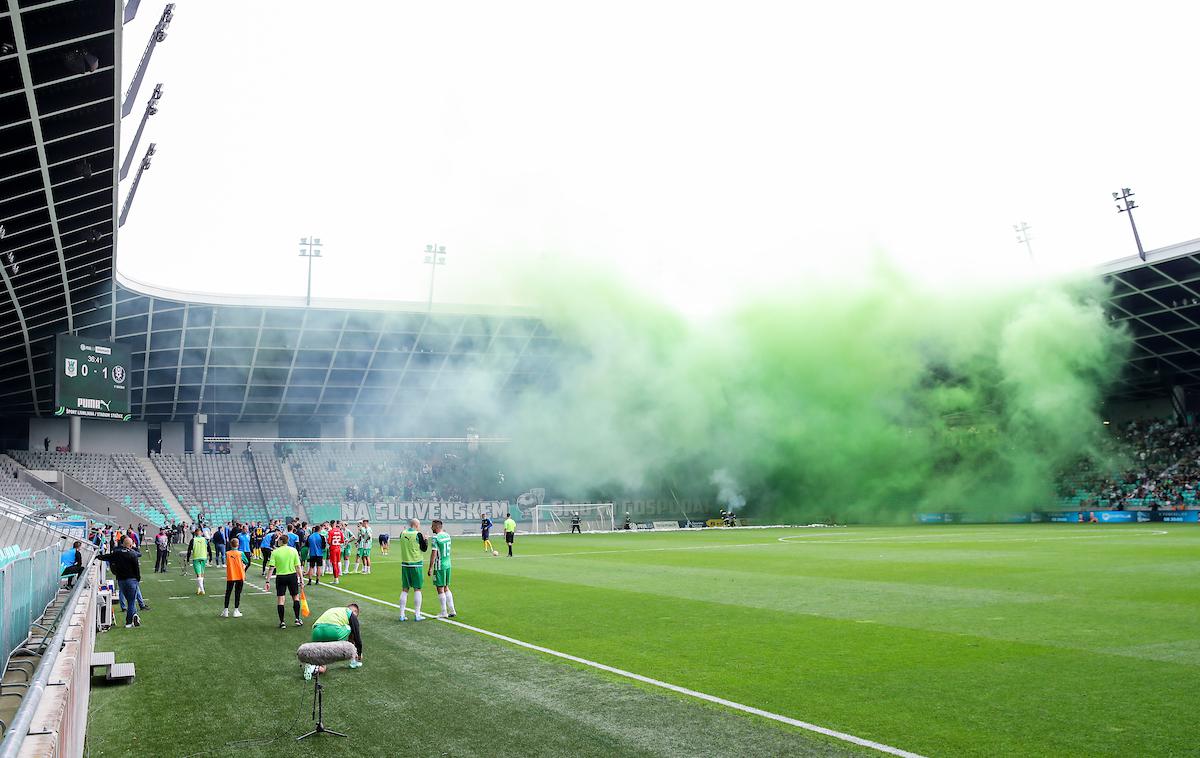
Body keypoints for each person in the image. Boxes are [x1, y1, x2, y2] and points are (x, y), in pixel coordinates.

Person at [303, 604, 363, 680]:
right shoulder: (351, 614)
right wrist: (359, 653)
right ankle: (354, 660)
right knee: (351, 629)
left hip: (316, 631)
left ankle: (312, 668)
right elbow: (357, 638)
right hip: (333, 631)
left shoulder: (335, 610)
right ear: (354, 612)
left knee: (323, 667)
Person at [98, 537, 142, 628]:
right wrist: (138, 578)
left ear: (122, 544)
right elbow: (136, 569)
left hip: (121, 580)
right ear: (130, 545)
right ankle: (129, 621)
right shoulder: (133, 554)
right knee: (131, 601)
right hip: (131, 580)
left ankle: (135, 616)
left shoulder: (117, 553)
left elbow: (108, 557)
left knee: (129, 600)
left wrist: (98, 557)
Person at [265, 534, 304, 628]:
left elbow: (271, 568)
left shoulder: (275, 552)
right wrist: (301, 580)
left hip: (281, 577)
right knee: (295, 597)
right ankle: (297, 619)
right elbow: (298, 567)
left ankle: (282, 622)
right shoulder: (293, 550)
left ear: (281, 541)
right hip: (292, 576)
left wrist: (267, 581)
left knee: (281, 599)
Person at [397, 518, 427, 621]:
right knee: (417, 589)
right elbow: (424, 548)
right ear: (416, 525)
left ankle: (401, 614)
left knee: (405, 589)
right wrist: (426, 539)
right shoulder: (418, 534)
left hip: (405, 564)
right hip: (416, 564)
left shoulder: (402, 533)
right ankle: (417, 614)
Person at [428, 520, 456, 618]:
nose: (431, 528)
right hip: (448, 564)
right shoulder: (447, 535)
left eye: (432, 526)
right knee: (446, 587)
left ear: (436, 527)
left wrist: (430, 567)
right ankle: (452, 610)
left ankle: (444, 612)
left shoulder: (436, 537)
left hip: (439, 565)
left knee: (440, 588)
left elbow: (434, 553)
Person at [221, 538, 251, 618]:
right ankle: (236, 610)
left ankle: (226, 610)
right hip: (240, 575)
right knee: (237, 593)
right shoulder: (241, 553)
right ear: (238, 545)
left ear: (231, 544)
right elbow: (247, 562)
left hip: (231, 575)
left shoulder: (227, 553)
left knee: (228, 593)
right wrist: (243, 565)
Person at [185, 527, 213, 595]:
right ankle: (199, 588)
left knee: (198, 575)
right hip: (204, 557)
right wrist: (210, 558)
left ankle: (202, 589)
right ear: (201, 533)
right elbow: (209, 549)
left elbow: (189, 550)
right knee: (202, 574)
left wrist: (188, 559)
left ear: (195, 533)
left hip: (196, 558)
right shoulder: (205, 540)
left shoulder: (193, 540)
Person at [327, 521, 345, 585]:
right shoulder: (340, 531)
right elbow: (342, 541)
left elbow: (329, 542)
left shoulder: (330, 532)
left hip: (333, 549)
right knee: (337, 563)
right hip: (338, 548)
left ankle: (336, 579)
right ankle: (337, 577)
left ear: (331, 524)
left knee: (334, 564)